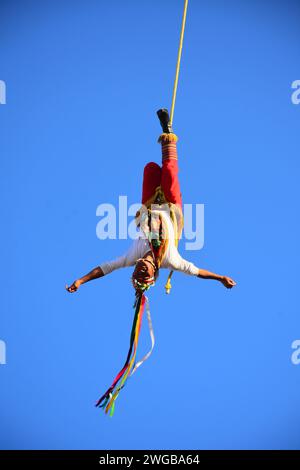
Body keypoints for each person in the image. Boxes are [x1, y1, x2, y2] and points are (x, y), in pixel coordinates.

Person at [66, 109, 236, 295]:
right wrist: (220, 278)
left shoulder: (132, 256)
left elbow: (106, 268)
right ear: (154, 272)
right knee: (170, 174)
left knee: (151, 168)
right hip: (172, 207)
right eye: (144, 272)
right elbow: (197, 271)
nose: (141, 267)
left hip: (149, 205)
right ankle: (168, 132)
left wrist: (82, 280)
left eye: (137, 270)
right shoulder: (170, 260)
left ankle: (161, 158)